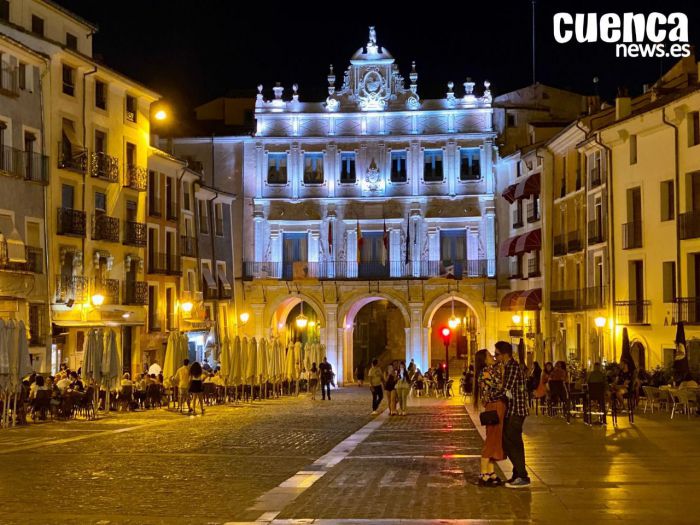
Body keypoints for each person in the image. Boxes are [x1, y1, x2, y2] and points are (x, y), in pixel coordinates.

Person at [495, 341, 530, 488]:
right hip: (513, 410)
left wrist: (492, 396)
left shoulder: (512, 368)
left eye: (497, 355)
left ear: (505, 354)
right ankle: (517, 474)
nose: (496, 358)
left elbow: (506, 388)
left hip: (517, 410)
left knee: (511, 443)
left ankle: (522, 476)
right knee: (513, 442)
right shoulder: (508, 367)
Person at [474, 348, 506, 486]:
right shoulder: (485, 373)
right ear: (484, 359)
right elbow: (498, 388)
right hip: (494, 406)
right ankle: (483, 473)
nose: (492, 356)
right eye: (489, 355)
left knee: (495, 439)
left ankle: (491, 472)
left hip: (497, 405)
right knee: (491, 439)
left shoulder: (491, 371)